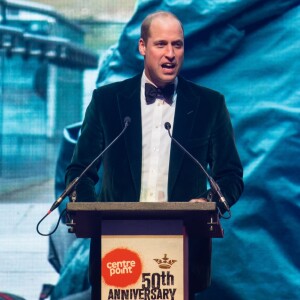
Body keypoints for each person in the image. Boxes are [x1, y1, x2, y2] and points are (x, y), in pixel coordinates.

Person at [65, 11, 243, 300]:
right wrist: (88, 209)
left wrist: (209, 202)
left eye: (178, 45)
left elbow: (231, 175)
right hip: (116, 253)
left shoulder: (210, 104)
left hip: (181, 256)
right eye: (161, 44)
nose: (170, 54)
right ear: (142, 47)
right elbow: (80, 171)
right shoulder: (107, 101)